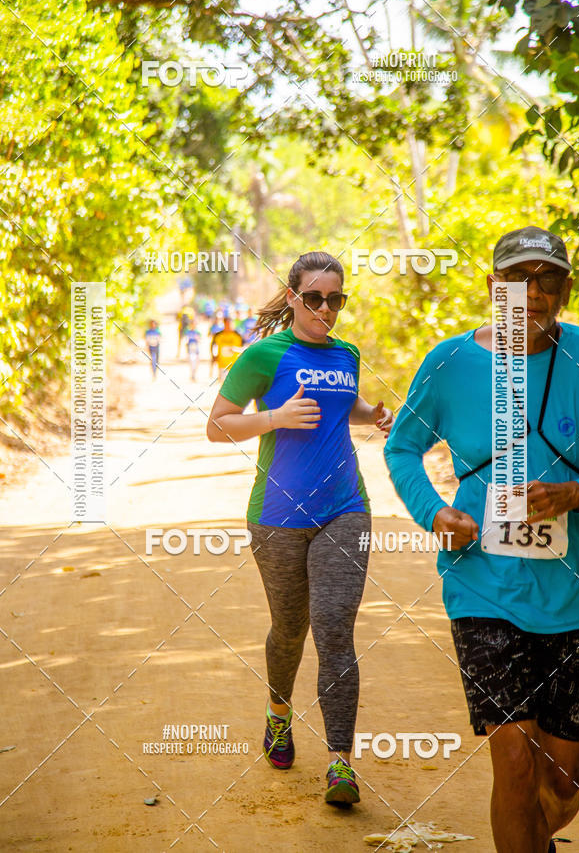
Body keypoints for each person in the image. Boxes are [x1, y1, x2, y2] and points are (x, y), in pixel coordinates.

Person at [384, 226, 579, 853]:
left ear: (565, 288)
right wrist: (434, 512)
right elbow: (403, 447)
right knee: (513, 761)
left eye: (547, 280)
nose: (532, 294)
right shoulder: (450, 364)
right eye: (517, 280)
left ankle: (540, 836)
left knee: (561, 789)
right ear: (491, 287)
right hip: (483, 584)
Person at [207, 250, 393, 805]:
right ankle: (278, 713)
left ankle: (341, 763)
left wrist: (373, 415)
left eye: (336, 299)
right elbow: (217, 425)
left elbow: (346, 405)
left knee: (334, 628)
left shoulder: (347, 353)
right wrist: (274, 418)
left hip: (345, 507)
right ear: (292, 298)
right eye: (314, 298)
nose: (326, 309)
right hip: (278, 518)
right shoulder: (265, 355)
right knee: (290, 630)